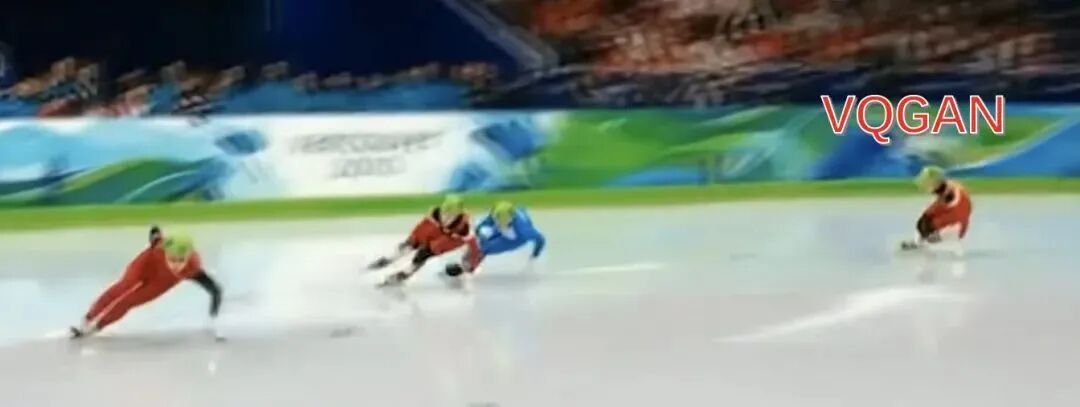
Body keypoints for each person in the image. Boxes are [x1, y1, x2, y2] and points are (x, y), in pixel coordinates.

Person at [71, 228, 223, 339]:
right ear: (165, 251)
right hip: (145, 264)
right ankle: (88, 319)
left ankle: (98, 326)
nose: (176, 265)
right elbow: (155, 231)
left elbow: (215, 290)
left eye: (181, 260)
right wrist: (155, 234)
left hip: (164, 281)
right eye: (172, 259)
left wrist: (213, 318)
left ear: (188, 257)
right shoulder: (159, 246)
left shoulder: (193, 266)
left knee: (131, 301)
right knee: (123, 287)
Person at [367, 194, 482, 286]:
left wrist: (472, 265)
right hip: (436, 233)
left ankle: (405, 274)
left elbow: (474, 248)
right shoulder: (435, 214)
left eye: (451, 215)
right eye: (445, 213)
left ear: (458, 214)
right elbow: (421, 228)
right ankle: (383, 262)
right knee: (406, 248)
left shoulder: (465, 229)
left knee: (423, 254)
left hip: (450, 241)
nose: (446, 218)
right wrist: (411, 240)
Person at [443, 201, 546, 277]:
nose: (500, 223)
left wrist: (535, 254)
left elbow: (541, 239)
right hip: (506, 226)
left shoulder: (524, 230)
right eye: (498, 219)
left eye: (503, 221)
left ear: (512, 218)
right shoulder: (496, 213)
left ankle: (466, 268)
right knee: (481, 236)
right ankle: (467, 261)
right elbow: (485, 223)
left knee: (485, 248)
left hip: (515, 239)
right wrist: (479, 232)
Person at [901, 166, 973, 250]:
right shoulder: (948, 190)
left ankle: (928, 243)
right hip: (952, 221)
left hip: (955, 228)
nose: (929, 186)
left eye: (930, 183)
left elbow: (959, 212)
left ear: (938, 182)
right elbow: (930, 213)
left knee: (929, 230)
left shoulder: (952, 194)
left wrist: (934, 226)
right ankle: (919, 242)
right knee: (925, 220)